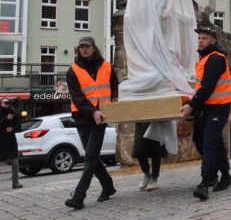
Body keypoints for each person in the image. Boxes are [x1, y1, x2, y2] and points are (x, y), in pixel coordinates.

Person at [65, 36, 119, 209]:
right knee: (92, 157)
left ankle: (79, 196)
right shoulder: (73, 70)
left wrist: (115, 99)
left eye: (87, 46)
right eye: (81, 47)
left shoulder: (107, 66)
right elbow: (77, 97)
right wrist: (92, 111)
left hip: (101, 117)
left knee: (89, 156)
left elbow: (114, 84)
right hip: (82, 117)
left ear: (94, 48)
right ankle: (109, 187)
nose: (84, 49)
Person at [180, 27, 231, 201]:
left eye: (204, 38)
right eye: (199, 38)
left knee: (210, 141)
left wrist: (191, 106)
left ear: (212, 40)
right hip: (206, 107)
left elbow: (208, 87)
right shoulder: (203, 59)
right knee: (204, 140)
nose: (200, 40)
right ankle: (225, 175)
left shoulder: (216, 58)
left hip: (219, 106)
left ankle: (205, 182)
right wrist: (192, 100)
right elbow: (201, 87)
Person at [0, 98, 22, 193]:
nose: (6, 104)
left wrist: (12, 129)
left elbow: (19, 126)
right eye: (4, 102)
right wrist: (6, 119)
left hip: (10, 141)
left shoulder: (13, 114)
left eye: (7, 102)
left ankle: (15, 182)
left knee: (15, 162)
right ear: (0, 104)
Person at [132, 122, 167, 191]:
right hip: (141, 121)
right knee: (139, 149)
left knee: (156, 150)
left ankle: (154, 178)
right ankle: (147, 174)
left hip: (156, 122)